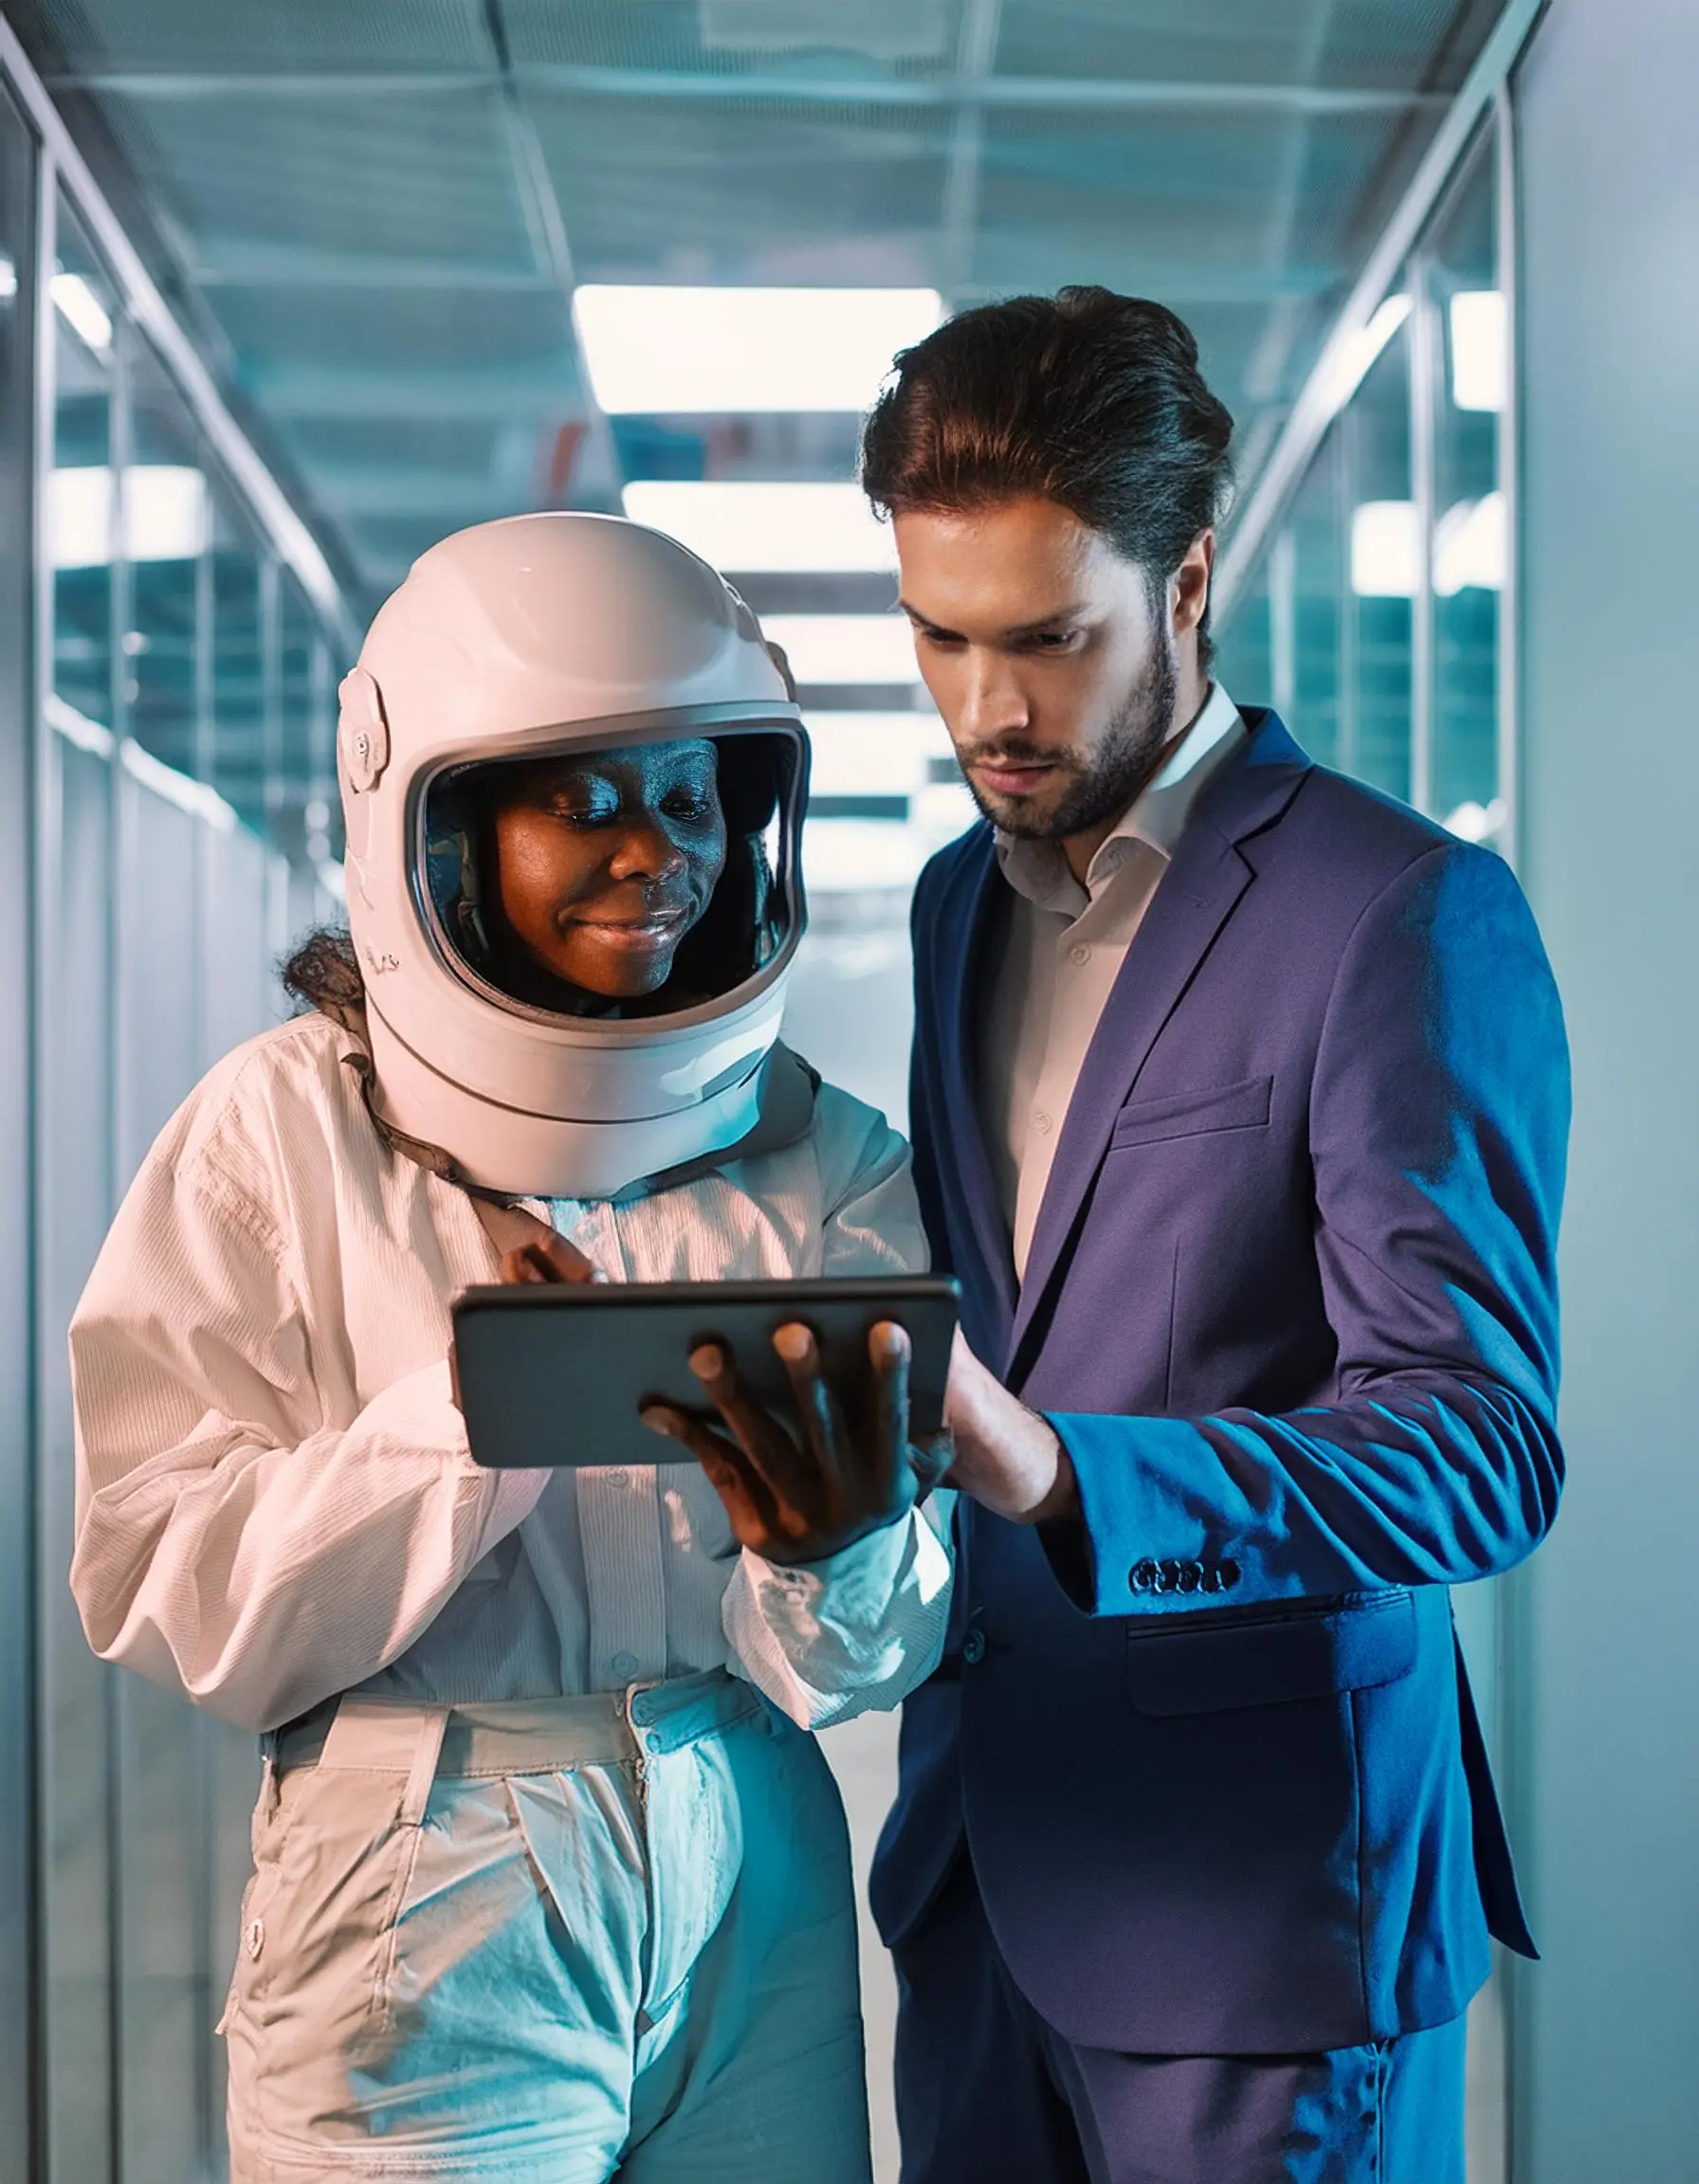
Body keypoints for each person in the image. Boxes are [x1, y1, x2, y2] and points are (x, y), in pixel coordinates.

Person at [68, 512, 951, 2184]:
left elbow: (864, 1665)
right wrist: (468, 1420)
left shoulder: (825, 1159)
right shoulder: (279, 1142)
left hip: (751, 1852)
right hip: (427, 1862)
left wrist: (837, 1557)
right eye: (585, 802)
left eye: (690, 799)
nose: (655, 853)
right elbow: (162, 1582)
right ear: (445, 829)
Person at [861, 289, 1569, 2183]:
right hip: (986, 1871)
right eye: (934, 636)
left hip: (1266, 1916)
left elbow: (1477, 1448)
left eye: (1047, 640)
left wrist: (1053, 1465)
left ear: (1183, 585)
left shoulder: (1395, 912)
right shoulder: (953, 905)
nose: (985, 709)